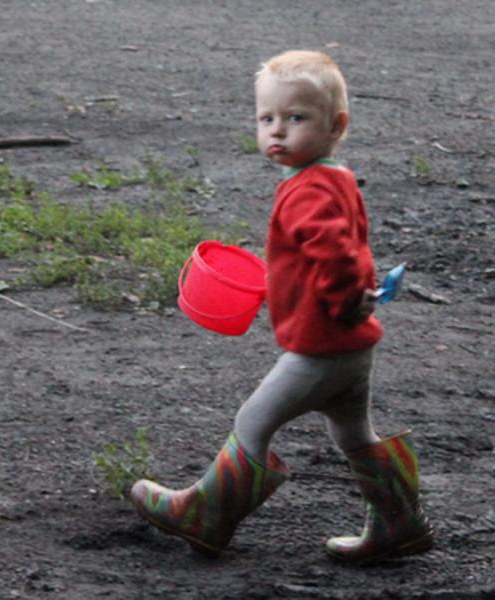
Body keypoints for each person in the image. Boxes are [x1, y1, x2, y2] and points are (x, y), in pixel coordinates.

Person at [130, 50, 434, 564]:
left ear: (336, 124)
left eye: (296, 119)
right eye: (266, 119)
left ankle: (203, 515)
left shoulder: (305, 191)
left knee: (253, 420)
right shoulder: (335, 177)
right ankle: (399, 523)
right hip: (352, 349)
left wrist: (340, 300)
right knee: (353, 431)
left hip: (321, 347)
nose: (277, 132)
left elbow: (334, 252)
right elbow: (345, 248)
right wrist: (319, 288)